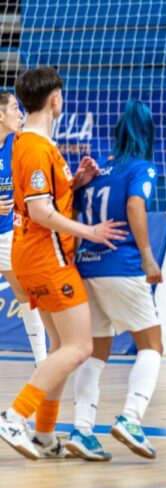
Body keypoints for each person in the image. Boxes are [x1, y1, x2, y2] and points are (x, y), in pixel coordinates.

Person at [0, 66, 126, 460]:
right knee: (79, 347)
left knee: (59, 346)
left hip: (32, 253)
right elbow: (39, 211)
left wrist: (76, 184)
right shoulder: (36, 146)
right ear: (55, 98)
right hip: (47, 256)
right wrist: (91, 232)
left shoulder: (28, 143)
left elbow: (43, 198)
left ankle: (42, 434)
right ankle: (13, 417)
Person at [65, 99, 163, 462]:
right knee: (152, 345)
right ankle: (132, 419)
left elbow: (72, 210)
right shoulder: (143, 168)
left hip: (86, 265)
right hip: (120, 265)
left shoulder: (98, 171)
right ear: (148, 133)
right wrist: (148, 256)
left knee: (97, 351)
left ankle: (82, 429)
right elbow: (136, 205)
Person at [0, 92, 47, 364]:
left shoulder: (18, 144)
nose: (21, 114)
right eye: (15, 108)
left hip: (7, 235)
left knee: (26, 294)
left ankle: (42, 363)